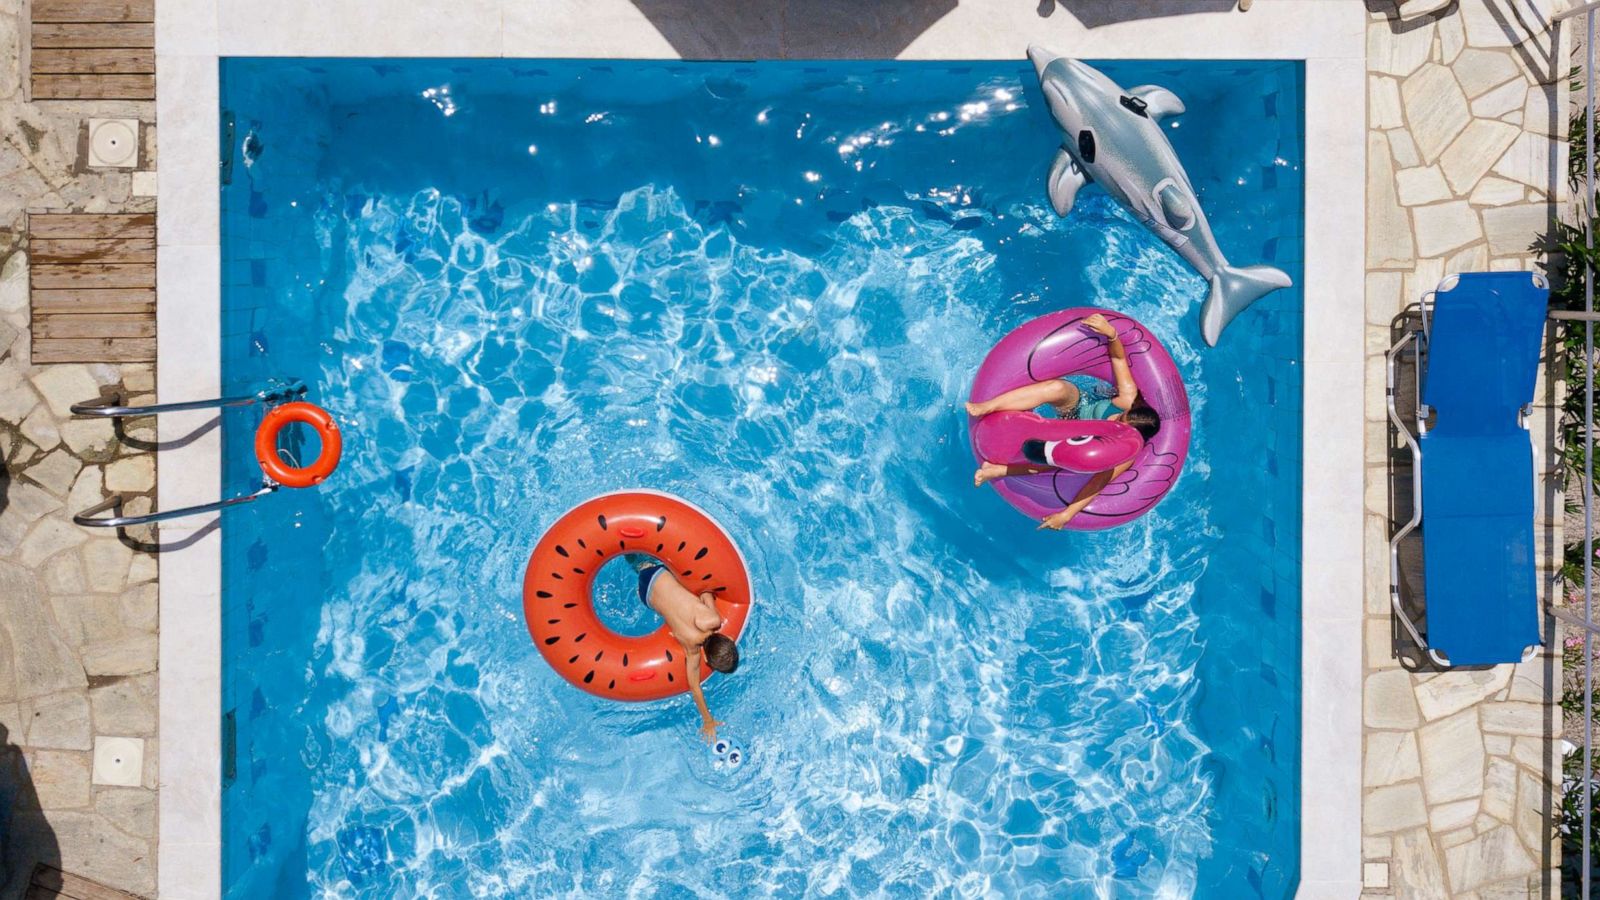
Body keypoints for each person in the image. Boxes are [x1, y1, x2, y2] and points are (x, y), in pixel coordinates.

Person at [965, 313, 1161, 530]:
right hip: (1076, 408)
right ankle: (988, 406)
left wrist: (1066, 515)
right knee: (1058, 388)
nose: (1115, 423)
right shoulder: (1127, 398)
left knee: (1054, 461)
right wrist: (1112, 335)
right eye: (1121, 418)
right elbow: (1118, 360)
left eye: (1123, 427)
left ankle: (999, 470)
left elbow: (1098, 482)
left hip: (1073, 438)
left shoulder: (1125, 453)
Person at [625, 553, 740, 741]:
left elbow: (705, 591)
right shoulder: (691, 648)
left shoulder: (711, 620)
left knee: (641, 559)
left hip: (656, 573)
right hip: (645, 596)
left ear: (727, 636)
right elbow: (695, 688)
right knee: (637, 568)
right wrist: (708, 720)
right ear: (706, 659)